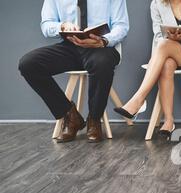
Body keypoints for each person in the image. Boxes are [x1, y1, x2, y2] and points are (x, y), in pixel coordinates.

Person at [19, 0, 129, 143]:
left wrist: (104, 41)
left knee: (101, 62)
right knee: (28, 64)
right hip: (70, 46)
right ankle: (70, 116)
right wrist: (62, 26)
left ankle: (94, 119)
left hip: (101, 46)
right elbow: (46, 25)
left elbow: (121, 26)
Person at [114, 0, 181, 139]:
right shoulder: (156, 4)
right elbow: (158, 37)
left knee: (164, 45)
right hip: (168, 51)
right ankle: (168, 121)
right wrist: (172, 38)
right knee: (166, 63)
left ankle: (139, 100)